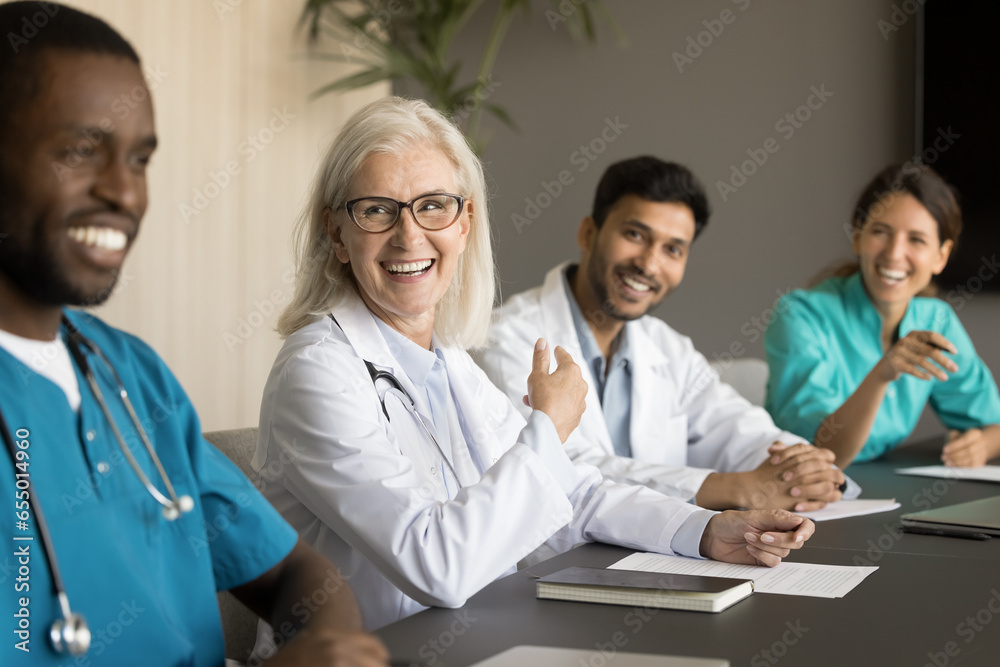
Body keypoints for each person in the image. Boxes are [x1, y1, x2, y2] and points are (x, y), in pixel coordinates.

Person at [253, 97, 815, 632]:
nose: (408, 235)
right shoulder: (317, 372)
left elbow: (571, 492)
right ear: (337, 233)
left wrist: (706, 531)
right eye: (376, 210)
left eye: (433, 206)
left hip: (483, 637)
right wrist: (548, 427)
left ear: (464, 223)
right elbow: (437, 567)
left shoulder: (447, 361)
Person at [0, 3, 387, 665]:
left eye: (140, 158)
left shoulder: (129, 373)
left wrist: (327, 641)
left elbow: (294, 570)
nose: (125, 191)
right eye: (79, 150)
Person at [476, 156, 852, 511]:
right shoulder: (506, 340)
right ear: (589, 233)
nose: (649, 264)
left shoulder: (667, 347)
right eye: (636, 235)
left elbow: (735, 425)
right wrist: (735, 489)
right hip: (550, 567)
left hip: (659, 554)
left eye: (673, 249)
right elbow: (555, 466)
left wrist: (805, 467)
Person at [765, 163, 1000, 469]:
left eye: (916, 239)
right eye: (880, 232)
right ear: (857, 237)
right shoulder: (799, 316)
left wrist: (982, 445)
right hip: (799, 491)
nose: (893, 253)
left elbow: (992, 422)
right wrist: (882, 374)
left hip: (885, 484)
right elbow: (826, 451)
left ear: (940, 256)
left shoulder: (935, 321)